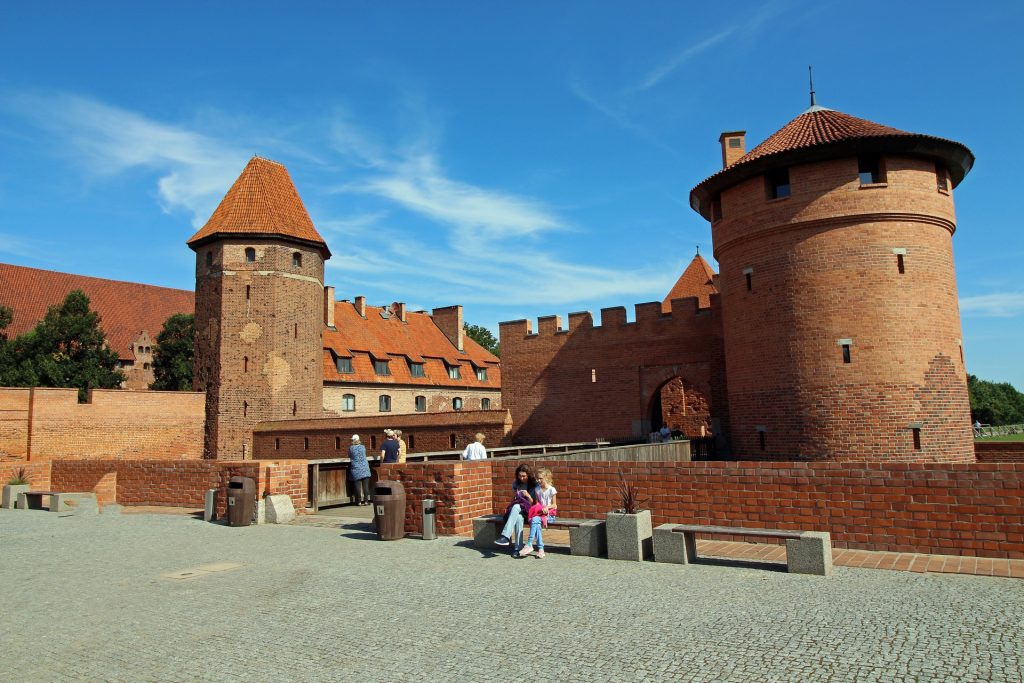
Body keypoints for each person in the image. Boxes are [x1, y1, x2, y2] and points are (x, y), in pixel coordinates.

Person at [494, 464, 537, 551]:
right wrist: (511, 501)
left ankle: (505, 536)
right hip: (518, 512)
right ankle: (518, 548)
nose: (521, 478)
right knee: (518, 518)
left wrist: (528, 495)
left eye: (524, 476)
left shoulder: (534, 484)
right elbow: (513, 498)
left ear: (528, 475)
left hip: (529, 511)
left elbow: (535, 503)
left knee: (516, 506)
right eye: (520, 476)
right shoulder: (516, 483)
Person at [520, 467, 557, 559]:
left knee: (535, 520)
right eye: (537, 478)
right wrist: (528, 497)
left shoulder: (551, 490)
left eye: (541, 478)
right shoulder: (537, 489)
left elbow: (554, 505)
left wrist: (547, 507)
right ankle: (540, 549)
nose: (538, 480)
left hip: (550, 515)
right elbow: (536, 504)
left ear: (546, 478)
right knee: (536, 520)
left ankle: (530, 544)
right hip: (540, 514)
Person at [348, 434, 372, 505]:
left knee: (357, 485)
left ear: (354, 440)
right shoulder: (363, 447)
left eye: (352, 440)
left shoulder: (351, 448)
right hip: (365, 467)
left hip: (356, 468)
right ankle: (366, 501)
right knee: (366, 486)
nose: (351, 441)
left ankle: (358, 501)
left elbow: (349, 456)